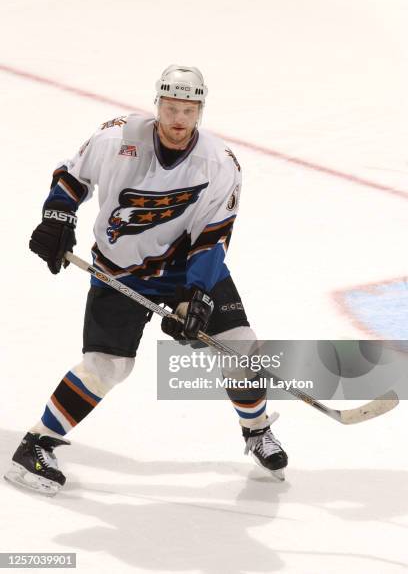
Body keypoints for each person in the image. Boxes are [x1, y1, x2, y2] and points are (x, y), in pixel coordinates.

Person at [4, 65, 288, 495]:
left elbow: (212, 237)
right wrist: (57, 216)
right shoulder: (116, 139)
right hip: (120, 270)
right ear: (157, 104)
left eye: (188, 111)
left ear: (200, 111)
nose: (178, 119)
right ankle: (36, 445)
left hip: (182, 268)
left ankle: (257, 431)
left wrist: (195, 296)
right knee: (108, 367)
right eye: (170, 108)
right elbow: (72, 175)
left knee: (241, 347)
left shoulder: (219, 163)